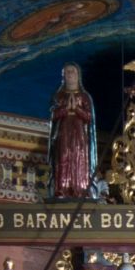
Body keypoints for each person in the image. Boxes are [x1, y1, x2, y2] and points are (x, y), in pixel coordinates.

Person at [49, 63, 97, 200]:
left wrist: (77, 109)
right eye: (67, 72)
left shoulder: (84, 96)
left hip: (79, 133)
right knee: (63, 157)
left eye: (73, 72)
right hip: (63, 131)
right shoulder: (58, 96)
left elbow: (89, 117)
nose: (70, 74)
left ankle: (79, 189)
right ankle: (61, 189)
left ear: (78, 76)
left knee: (79, 158)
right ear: (63, 76)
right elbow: (53, 115)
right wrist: (65, 109)